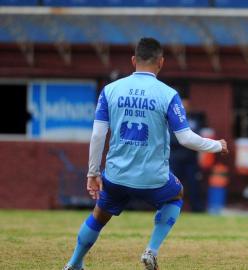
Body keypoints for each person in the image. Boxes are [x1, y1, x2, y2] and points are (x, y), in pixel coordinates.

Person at [62, 37, 228, 270]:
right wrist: (217, 145)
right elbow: (186, 138)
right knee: (176, 195)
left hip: (117, 175)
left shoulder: (110, 91)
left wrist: (92, 173)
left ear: (133, 60)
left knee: (99, 215)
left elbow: (98, 135)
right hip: (153, 178)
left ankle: (74, 263)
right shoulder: (168, 94)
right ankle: (151, 250)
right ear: (161, 62)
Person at [169, 98, 206, 212]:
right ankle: (172, 208)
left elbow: (199, 137)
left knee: (194, 184)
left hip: (191, 159)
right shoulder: (172, 120)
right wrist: (187, 141)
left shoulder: (194, 121)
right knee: (174, 185)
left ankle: (197, 208)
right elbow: (172, 139)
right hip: (176, 158)